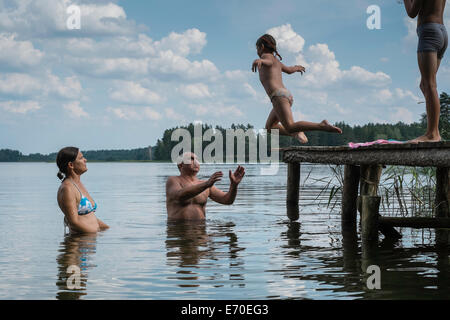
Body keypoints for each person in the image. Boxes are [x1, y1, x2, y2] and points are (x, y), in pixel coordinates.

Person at [252, 34, 342, 144]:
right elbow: (289, 70)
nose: (257, 51)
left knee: (290, 126)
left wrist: (260, 61)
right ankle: (296, 133)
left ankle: (321, 125)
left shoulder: (266, 57)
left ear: (261, 46)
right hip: (284, 96)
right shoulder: (277, 61)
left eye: (257, 48)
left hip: (278, 96)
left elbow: (268, 62)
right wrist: (296, 68)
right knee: (270, 127)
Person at [403, 0, 447, 143]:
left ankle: (432, 134)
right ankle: (435, 131)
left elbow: (412, 12)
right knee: (425, 85)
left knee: (429, 85)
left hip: (429, 32)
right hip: (442, 32)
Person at [166, 152, 245, 220]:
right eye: (191, 159)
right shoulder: (173, 180)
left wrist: (234, 186)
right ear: (181, 165)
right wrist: (206, 184)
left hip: (201, 231)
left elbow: (227, 200)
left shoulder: (206, 184)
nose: (196, 162)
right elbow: (179, 196)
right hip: (179, 230)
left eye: (197, 159)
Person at [56, 147, 109, 234]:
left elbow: (89, 217)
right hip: (78, 243)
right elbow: (74, 222)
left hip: (89, 241)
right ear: (71, 165)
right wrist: (94, 234)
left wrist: (107, 230)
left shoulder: (78, 184)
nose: (85, 160)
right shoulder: (67, 188)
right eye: (81, 158)